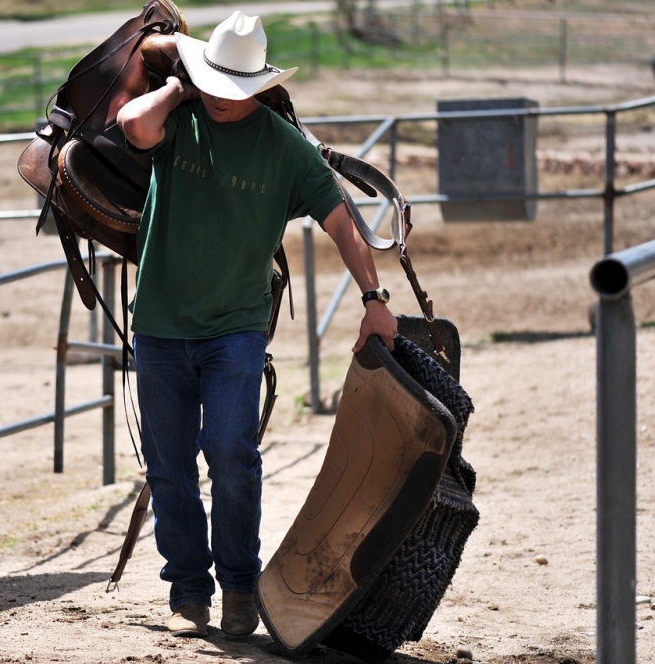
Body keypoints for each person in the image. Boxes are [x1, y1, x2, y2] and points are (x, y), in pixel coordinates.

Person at [116, 10, 398, 639]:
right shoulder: (178, 118)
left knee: (231, 456)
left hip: (235, 329)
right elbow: (132, 125)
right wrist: (181, 86)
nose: (222, 98)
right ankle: (189, 587)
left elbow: (343, 221)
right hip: (159, 325)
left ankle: (239, 585)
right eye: (214, 82)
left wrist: (374, 296)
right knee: (168, 465)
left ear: (257, 87)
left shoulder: (285, 148)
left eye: (232, 87)